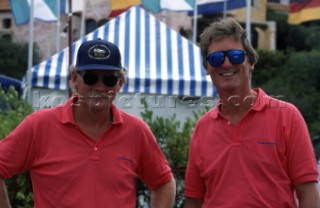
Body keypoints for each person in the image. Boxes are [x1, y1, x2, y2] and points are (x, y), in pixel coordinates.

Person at [0, 39, 176, 207]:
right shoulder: (39, 126)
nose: (99, 87)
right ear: (75, 78)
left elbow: (164, 183)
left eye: (109, 80)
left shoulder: (137, 131)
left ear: (120, 82)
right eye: (91, 78)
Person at [184, 18, 320, 208]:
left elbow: (308, 192)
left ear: (251, 62)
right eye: (216, 58)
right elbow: (194, 200)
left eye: (236, 56)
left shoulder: (287, 117)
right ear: (207, 68)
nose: (226, 63)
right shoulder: (202, 128)